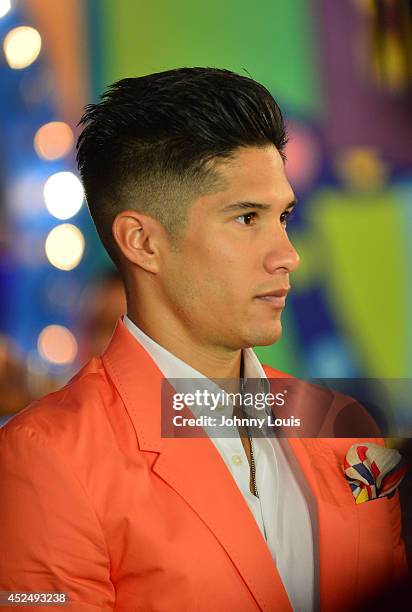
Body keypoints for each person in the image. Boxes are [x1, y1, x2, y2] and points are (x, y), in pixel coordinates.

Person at [0, 68, 407, 612]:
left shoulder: (340, 427)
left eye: (283, 216)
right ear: (142, 241)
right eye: (246, 218)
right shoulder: (48, 458)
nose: (287, 254)